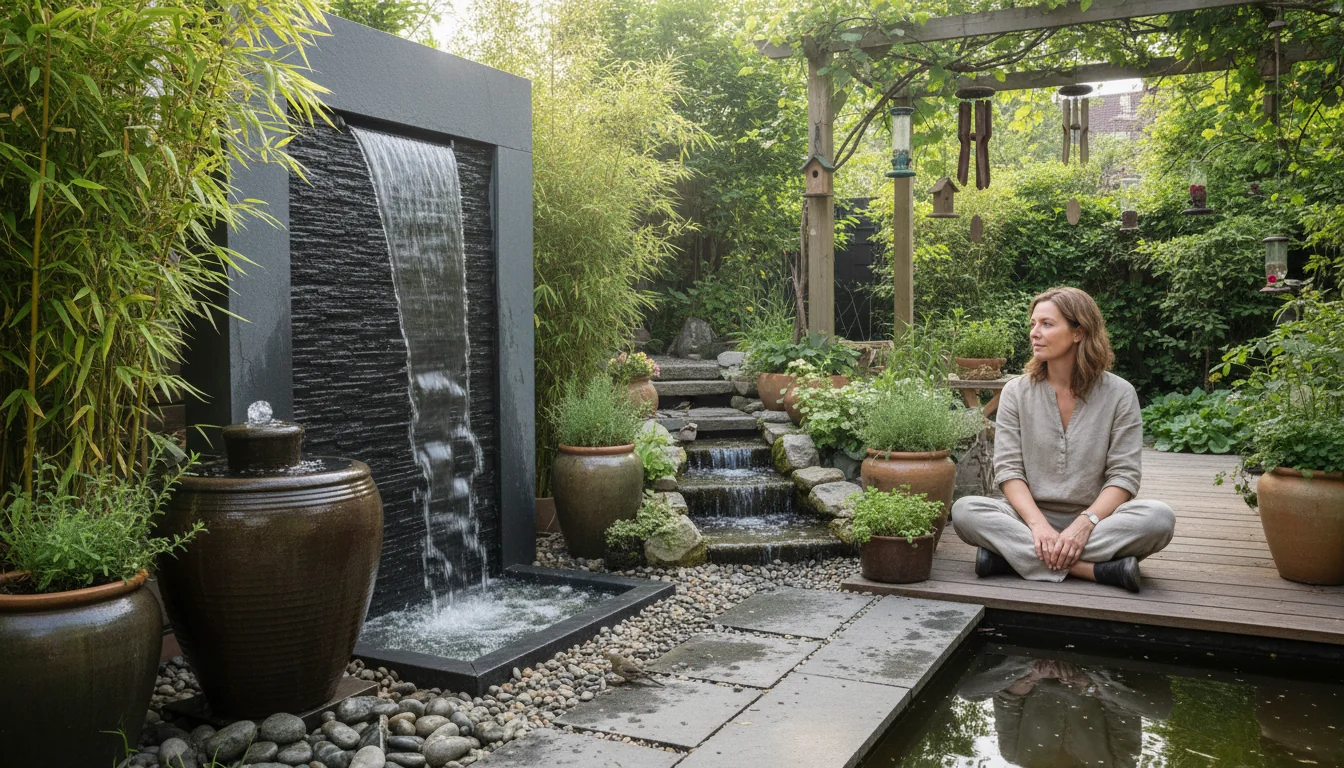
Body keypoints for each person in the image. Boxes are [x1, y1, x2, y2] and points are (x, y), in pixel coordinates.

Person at [951, 286, 1175, 592]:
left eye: (1046, 324)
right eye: (1032, 324)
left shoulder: (1120, 394)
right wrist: (1038, 525)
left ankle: (1009, 559)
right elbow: (1009, 470)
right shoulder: (1016, 392)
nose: (1034, 333)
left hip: (1097, 521)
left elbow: (1124, 476)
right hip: (1026, 517)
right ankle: (1096, 571)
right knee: (965, 511)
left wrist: (1083, 525)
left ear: (1078, 332)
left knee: (1158, 519)